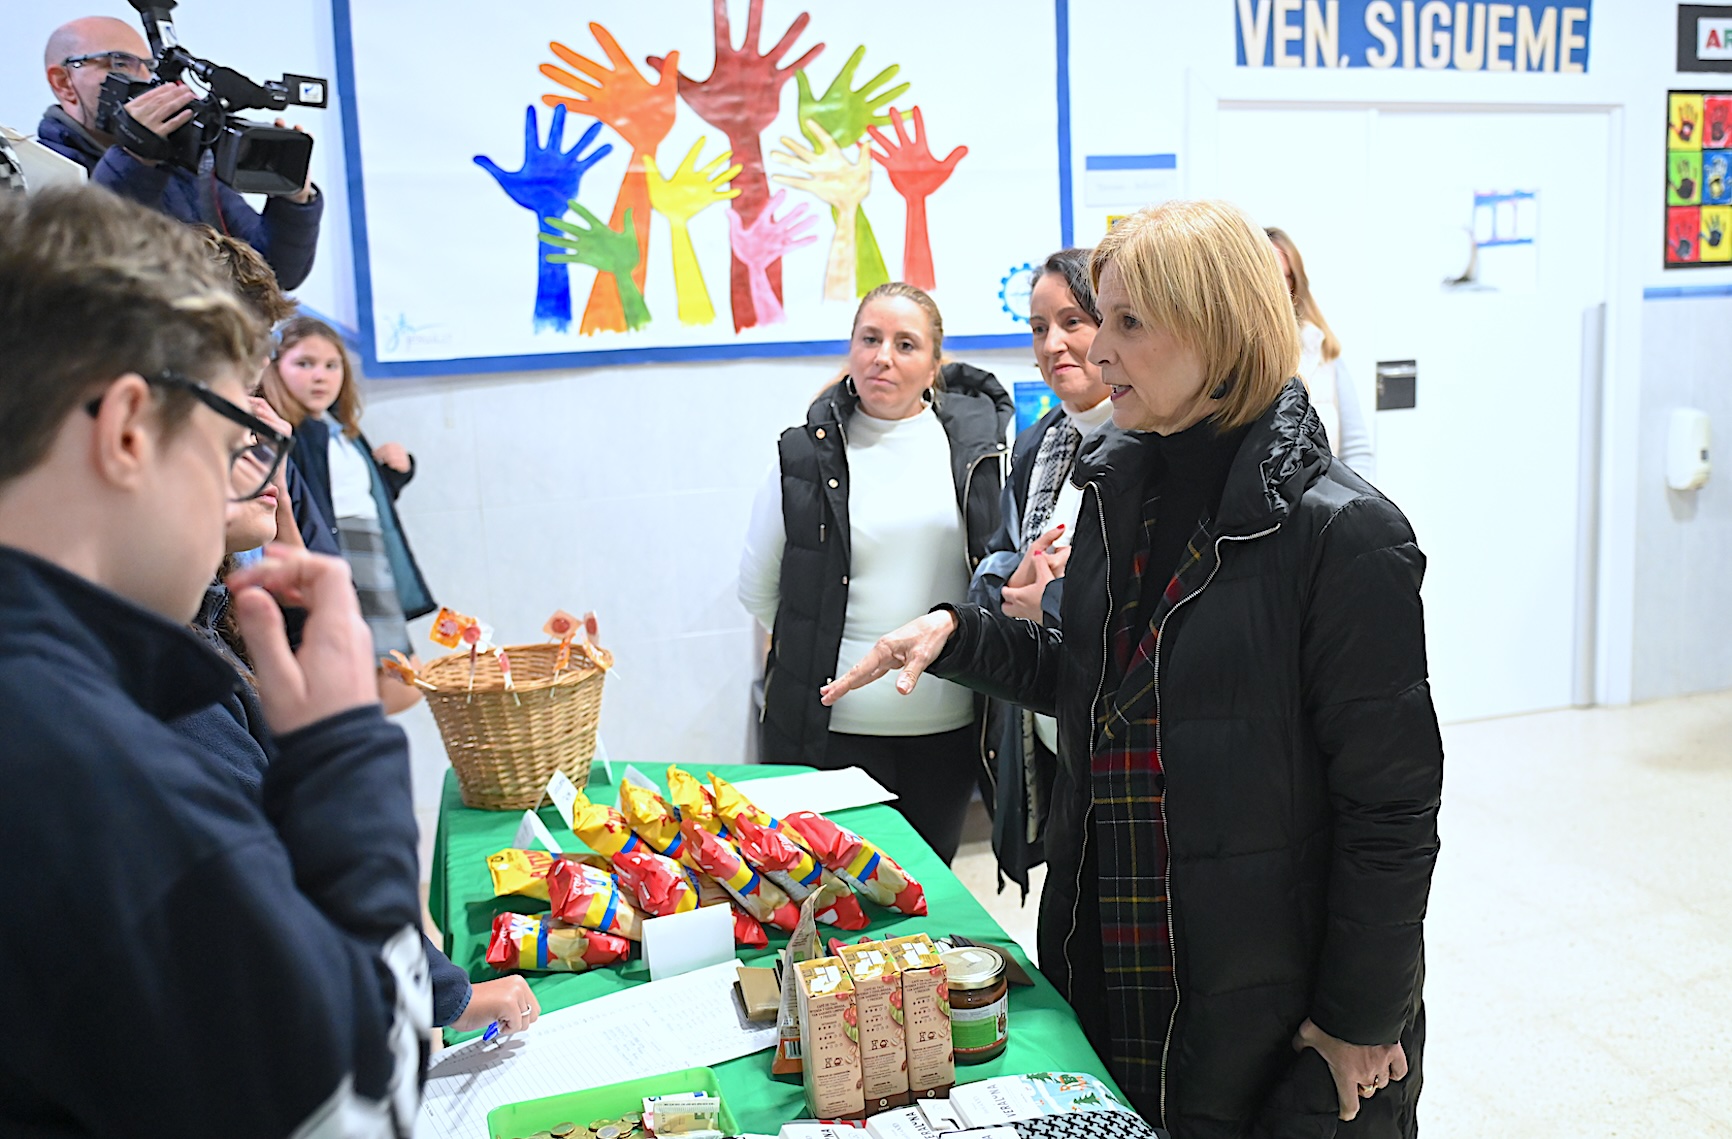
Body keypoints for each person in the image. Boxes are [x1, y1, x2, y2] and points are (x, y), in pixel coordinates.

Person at [821, 200, 1442, 1136]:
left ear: (1218, 330)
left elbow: (1391, 807)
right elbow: (1096, 681)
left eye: (1125, 322)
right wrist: (961, 632)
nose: (1093, 350)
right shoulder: (1121, 489)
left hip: (1261, 992)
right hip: (1118, 944)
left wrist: (1360, 1017)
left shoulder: (1342, 534)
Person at [0, 185, 425, 1133]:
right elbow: (365, 1104)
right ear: (125, 431)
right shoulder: (90, 774)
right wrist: (345, 755)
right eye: (231, 442)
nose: (250, 491)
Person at [178, 233, 539, 1038]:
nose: (266, 416)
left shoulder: (203, 625)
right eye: (240, 391)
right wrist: (339, 741)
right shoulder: (162, 689)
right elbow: (308, 913)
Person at [738, 282, 1013, 863]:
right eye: (870, 339)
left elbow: (992, 573)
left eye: (905, 343)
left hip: (947, 725)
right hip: (834, 725)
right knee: (837, 903)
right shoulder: (803, 456)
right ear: (851, 351)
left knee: (926, 894)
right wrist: (821, 653)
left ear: (935, 365)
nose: (883, 356)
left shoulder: (978, 453)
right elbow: (759, 588)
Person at [967, 247, 1115, 898]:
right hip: (1051, 726)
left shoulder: (1156, 445)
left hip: (1123, 742)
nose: (1053, 343)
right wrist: (1013, 580)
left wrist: (1054, 594)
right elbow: (998, 564)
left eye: (1074, 321)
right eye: (1037, 327)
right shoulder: (1040, 443)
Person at [35, 16, 324, 289]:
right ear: (63, 82)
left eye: (149, 65)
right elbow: (86, 269)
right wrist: (134, 157)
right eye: (120, 63)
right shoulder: (34, 172)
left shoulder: (180, 162)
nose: (145, 78)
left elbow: (274, 274)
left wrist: (293, 199)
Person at [263, 317, 435, 713]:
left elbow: (355, 499)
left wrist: (396, 474)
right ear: (275, 367)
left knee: (391, 676)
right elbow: (310, 507)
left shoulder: (339, 431)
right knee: (375, 679)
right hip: (336, 559)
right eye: (304, 364)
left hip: (370, 556)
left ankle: (357, 734)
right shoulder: (293, 435)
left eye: (331, 365)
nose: (320, 377)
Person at [1265, 226, 1374, 477]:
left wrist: (1358, 512)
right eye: (1268, 277)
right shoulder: (1234, 359)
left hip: (1325, 508)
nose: (1277, 290)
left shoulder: (1323, 351)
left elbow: (1356, 449)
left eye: (1285, 277)